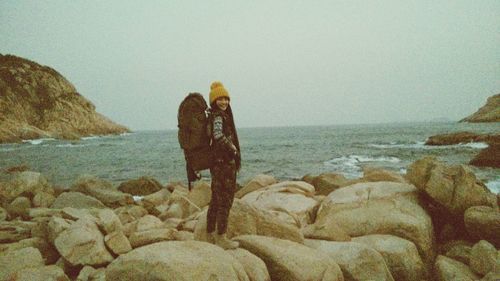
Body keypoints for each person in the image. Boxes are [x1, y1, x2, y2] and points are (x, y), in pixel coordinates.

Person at [206, 81, 241, 249]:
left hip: (217, 164)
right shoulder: (218, 116)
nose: (224, 102)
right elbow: (218, 135)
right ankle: (221, 237)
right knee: (225, 201)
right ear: (214, 101)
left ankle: (209, 233)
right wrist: (232, 148)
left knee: (215, 199)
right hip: (224, 164)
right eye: (220, 99)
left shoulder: (214, 114)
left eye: (226, 99)